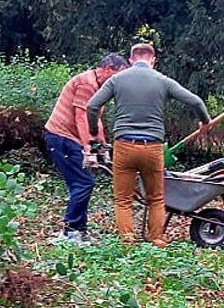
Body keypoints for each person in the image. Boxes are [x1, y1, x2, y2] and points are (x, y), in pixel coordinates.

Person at [86, 43, 212, 247]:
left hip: (124, 146)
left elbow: (92, 106)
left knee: (123, 199)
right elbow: (196, 101)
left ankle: (127, 241)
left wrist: (93, 132)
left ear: (130, 60)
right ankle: (157, 239)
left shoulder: (117, 80)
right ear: (153, 60)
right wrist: (205, 122)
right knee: (156, 198)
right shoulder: (163, 80)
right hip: (153, 147)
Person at [44, 52, 130, 244]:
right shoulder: (86, 84)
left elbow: (95, 121)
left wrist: (102, 146)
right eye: (118, 75)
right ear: (108, 69)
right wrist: (88, 149)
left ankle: (79, 230)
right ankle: (69, 232)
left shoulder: (100, 88)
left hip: (70, 138)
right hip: (61, 137)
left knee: (82, 184)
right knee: (83, 183)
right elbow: (81, 118)